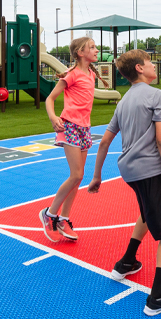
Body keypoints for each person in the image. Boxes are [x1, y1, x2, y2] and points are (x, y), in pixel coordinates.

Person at [89, 49, 161, 316]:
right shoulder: (156, 95)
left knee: (146, 212)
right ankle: (158, 295)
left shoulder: (123, 102)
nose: (155, 65)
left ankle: (127, 262)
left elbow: (106, 140)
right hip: (150, 169)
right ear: (141, 68)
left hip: (129, 171)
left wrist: (97, 175)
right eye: (151, 62)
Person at [39, 36, 107, 242]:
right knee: (76, 174)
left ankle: (64, 219)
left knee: (78, 178)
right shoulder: (71, 74)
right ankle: (49, 214)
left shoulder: (90, 75)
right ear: (80, 52)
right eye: (92, 47)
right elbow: (50, 99)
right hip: (69, 126)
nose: (96, 50)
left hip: (85, 129)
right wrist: (53, 117)